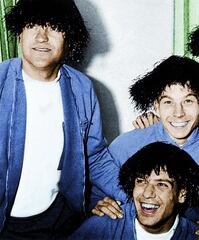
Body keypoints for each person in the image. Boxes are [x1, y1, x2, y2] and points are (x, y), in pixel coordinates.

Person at [0, 0, 114, 238]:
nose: (42, 37)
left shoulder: (82, 88)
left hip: (59, 222)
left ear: (68, 37)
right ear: (20, 33)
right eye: (33, 25)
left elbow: (94, 157)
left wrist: (135, 193)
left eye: (54, 27)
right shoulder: (1, 80)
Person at [91, 55, 199, 224]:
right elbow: (96, 194)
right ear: (156, 105)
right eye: (168, 102)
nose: (179, 113)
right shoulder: (127, 145)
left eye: (188, 101)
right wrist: (100, 205)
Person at [72, 142, 199, 239]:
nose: (147, 193)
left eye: (161, 184)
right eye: (141, 181)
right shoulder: (102, 228)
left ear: (181, 194)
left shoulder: (197, 236)